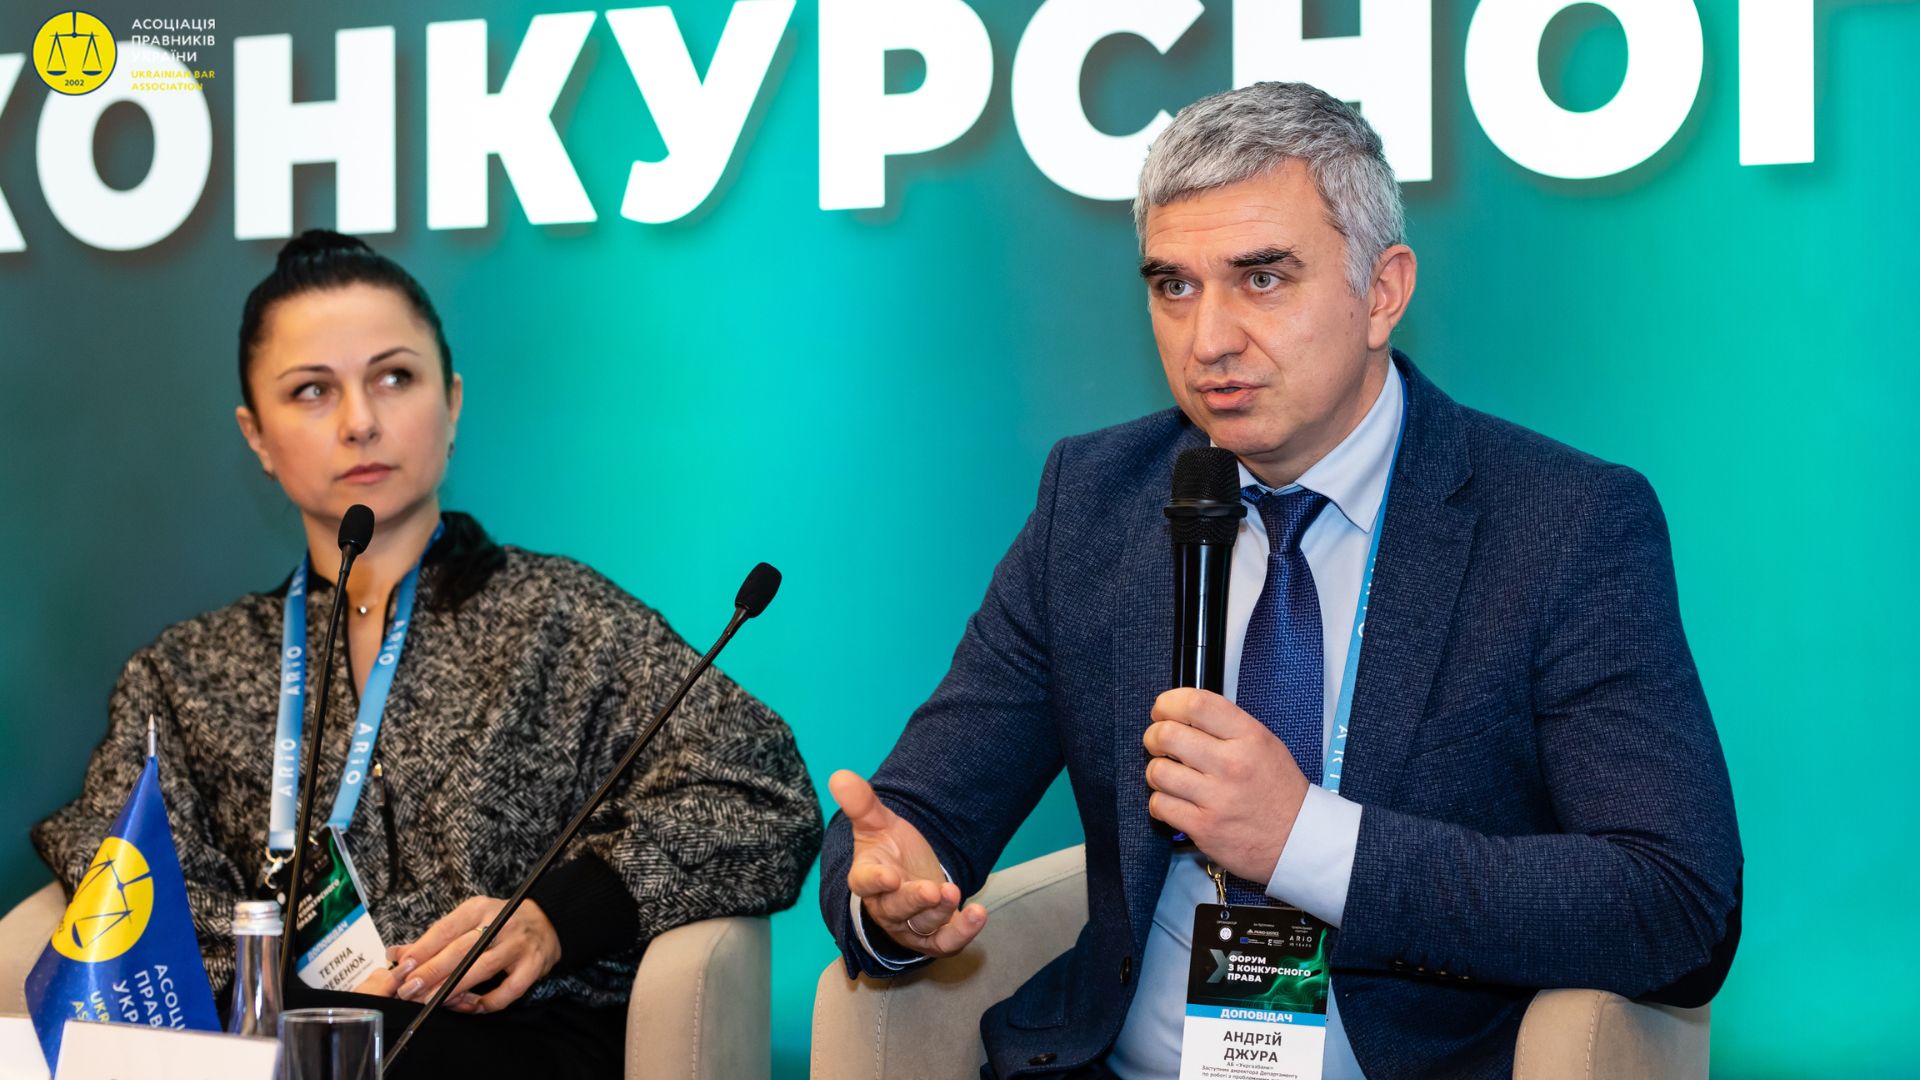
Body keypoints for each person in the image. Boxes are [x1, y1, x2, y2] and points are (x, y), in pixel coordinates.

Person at [820, 82, 1742, 1079]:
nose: (1208, 339)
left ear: (1381, 292)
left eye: (1262, 279)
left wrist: (1303, 839)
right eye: (1174, 286)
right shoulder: (1094, 504)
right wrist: (891, 901)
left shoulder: (1560, 524)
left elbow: (1678, 906)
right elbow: (910, 817)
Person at [32, 229, 823, 1076]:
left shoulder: (567, 621)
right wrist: (287, 994)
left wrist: (554, 918)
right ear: (255, 435)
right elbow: (117, 868)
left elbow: (763, 794)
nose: (360, 422)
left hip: (506, 1045)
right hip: (266, 1047)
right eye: (311, 391)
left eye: (394, 377)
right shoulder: (184, 674)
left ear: (452, 401)